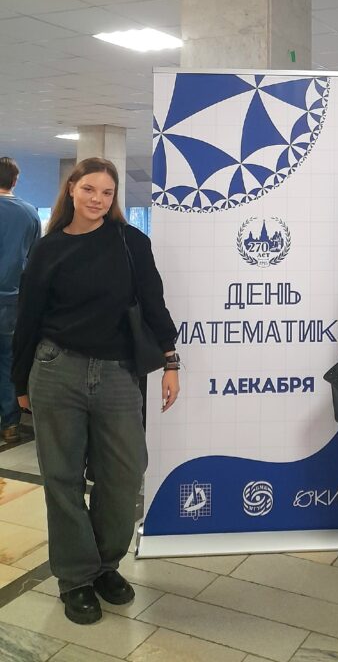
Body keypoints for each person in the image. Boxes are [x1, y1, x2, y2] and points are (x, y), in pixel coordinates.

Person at [11, 157, 180, 625]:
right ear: (72, 189)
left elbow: (154, 304)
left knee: (124, 474)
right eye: (89, 189)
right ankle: (76, 578)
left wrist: (170, 361)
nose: (97, 200)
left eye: (107, 193)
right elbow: (28, 318)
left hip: (118, 374)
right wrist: (19, 382)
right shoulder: (49, 248)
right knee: (62, 479)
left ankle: (106, 564)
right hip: (55, 370)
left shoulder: (130, 242)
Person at [0, 157, 40, 443]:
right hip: (14, 301)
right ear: (15, 181)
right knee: (8, 362)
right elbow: (37, 260)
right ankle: (10, 423)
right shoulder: (30, 213)